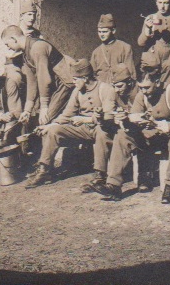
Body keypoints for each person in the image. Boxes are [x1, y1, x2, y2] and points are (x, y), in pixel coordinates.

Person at [94, 54, 170, 203]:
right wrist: (126, 121)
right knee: (122, 135)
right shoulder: (143, 95)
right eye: (141, 88)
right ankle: (114, 185)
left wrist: (158, 125)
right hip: (154, 136)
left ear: (157, 82)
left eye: (147, 87)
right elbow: (135, 117)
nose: (144, 91)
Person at [24, 59, 120, 189]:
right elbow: (67, 114)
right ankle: (44, 170)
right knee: (54, 131)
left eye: (75, 79)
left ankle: (100, 176)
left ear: (85, 78)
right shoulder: (77, 91)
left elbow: (109, 117)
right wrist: (50, 125)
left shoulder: (106, 89)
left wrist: (86, 119)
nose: (73, 83)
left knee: (101, 133)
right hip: (84, 129)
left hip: (103, 127)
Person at [1, 24, 74, 126]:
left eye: (7, 44)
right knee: (40, 120)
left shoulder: (37, 47)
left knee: (46, 119)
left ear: (13, 39)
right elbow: (32, 82)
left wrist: (44, 107)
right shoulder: (26, 54)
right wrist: (27, 110)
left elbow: (44, 79)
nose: (8, 48)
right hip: (54, 87)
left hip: (65, 85)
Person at [91, 13, 136, 85]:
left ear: (113, 30)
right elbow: (92, 75)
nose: (101, 34)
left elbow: (131, 72)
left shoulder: (125, 47)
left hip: (118, 88)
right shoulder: (96, 52)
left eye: (105, 32)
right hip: (102, 89)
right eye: (99, 32)